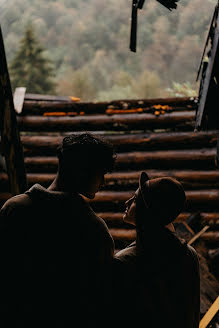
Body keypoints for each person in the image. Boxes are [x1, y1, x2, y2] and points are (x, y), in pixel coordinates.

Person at [0, 132, 116, 326]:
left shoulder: (15, 209)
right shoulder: (93, 229)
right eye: (101, 172)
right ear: (84, 170)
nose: (103, 182)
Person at [113, 172, 200, 328]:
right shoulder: (189, 254)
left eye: (135, 199)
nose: (127, 202)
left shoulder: (124, 262)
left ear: (147, 211)